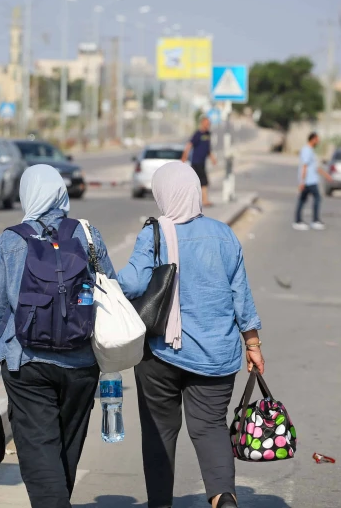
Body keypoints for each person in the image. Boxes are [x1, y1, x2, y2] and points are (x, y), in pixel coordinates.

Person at [0, 164, 117, 508]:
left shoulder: (12, 238)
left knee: (38, 449)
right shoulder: (87, 234)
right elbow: (111, 289)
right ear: (61, 193)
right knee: (67, 445)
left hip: (26, 361)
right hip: (81, 362)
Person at [117, 162, 263, 508]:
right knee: (210, 426)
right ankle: (223, 498)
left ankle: (160, 504)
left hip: (160, 354)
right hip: (217, 355)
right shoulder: (223, 234)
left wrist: (105, 280)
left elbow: (134, 283)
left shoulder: (154, 232)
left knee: (160, 433)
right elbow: (241, 295)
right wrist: (253, 344)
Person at [293, 132, 333, 231]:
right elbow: (304, 166)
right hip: (308, 181)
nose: (318, 141)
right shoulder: (306, 150)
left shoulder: (311, 150)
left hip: (311, 180)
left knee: (304, 200)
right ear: (313, 139)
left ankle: (301, 220)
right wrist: (302, 181)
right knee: (315, 198)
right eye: (317, 139)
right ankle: (311, 220)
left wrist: (326, 175)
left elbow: (315, 167)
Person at [181, 117, 218, 207]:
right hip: (196, 161)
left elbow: (207, 148)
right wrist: (184, 156)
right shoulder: (198, 134)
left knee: (203, 181)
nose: (207, 125)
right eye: (206, 123)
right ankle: (201, 200)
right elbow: (189, 145)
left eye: (208, 123)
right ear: (202, 123)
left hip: (202, 162)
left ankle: (203, 200)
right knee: (199, 181)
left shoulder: (208, 134)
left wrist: (212, 158)